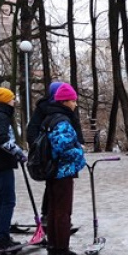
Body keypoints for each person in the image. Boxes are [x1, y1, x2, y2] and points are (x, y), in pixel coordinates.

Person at [27, 81, 83, 227]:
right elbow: (33, 130)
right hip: (53, 158)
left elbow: (75, 126)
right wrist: (39, 149)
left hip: (58, 158)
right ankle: (53, 220)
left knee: (57, 189)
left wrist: (79, 142)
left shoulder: (65, 110)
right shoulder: (49, 110)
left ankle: (54, 221)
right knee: (58, 191)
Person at [44, 84, 88, 255]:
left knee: (54, 210)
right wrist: (80, 154)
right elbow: (63, 148)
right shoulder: (62, 121)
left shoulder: (50, 118)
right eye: (73, 100)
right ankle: (62, 251)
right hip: (62, 171)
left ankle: (53, 250)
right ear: (65, 101)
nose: (75, 104)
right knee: (63, 211)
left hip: (52, 171)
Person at [0, 87, 27, 253]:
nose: (14, 101)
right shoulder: (2, 116)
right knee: (8, 200)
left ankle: (3, 236)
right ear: (5, 101)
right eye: (12, 99)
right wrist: (18, 152)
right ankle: (2, 239)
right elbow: (1, 139)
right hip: (1, 161)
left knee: (1, 200)